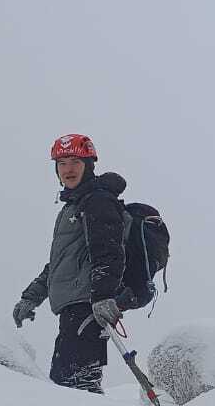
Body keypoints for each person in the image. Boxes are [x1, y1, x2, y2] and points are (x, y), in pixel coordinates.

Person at [12, 133, 128, 392]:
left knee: (74, 385)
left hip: (88, 307)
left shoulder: (97, 201)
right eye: (62, 163)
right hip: (74, 307)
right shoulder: (73, 207)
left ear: (89, 165)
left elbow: (108, 252)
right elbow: (59, 263)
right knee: (70, 384)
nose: (68, 169)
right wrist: (31, 297)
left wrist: (103, 296)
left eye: (75, 161)